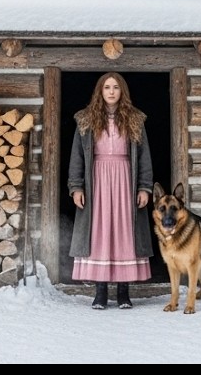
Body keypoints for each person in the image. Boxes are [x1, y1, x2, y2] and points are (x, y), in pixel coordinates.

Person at [67, 71, 154, 310]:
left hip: (125, 177)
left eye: (116, 87)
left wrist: (144, 187)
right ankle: (101, 291)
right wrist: (76, 187)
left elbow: (144, 157)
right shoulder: (85, 120)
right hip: (97, 180)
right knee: (99, 230)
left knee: (124, 229)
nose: (112, 91)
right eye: (107, 87)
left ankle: (124, 292)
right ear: (100, 91)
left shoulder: (135, 120)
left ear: (122, 91)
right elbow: (77, 157)